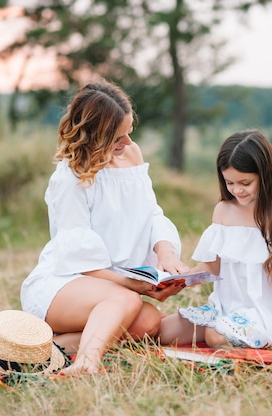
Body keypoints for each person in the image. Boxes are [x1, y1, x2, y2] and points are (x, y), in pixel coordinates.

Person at [20, 80, 189, 375]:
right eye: (117, 138)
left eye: (129, 133)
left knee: (148, 322)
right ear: (95, 137)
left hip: (114, 287)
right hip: (65, 282)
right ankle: (87, 361)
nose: (126, 144)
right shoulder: (70, 179)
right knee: (124, 299)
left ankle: (49, 347)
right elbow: (78, 256)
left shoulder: (131, 156)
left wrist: (166, 255)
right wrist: (133, 286)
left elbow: (152, 214)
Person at [159, 129, 272, 354]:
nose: (237, 189)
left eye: (245, 182)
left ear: (265, 175)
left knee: (214, 336)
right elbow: (213, 267)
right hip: (223, 309)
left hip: (262, 315)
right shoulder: (223, 211)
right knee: (160, 332)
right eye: (229, 182)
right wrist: (180, 280)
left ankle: (263, 343)